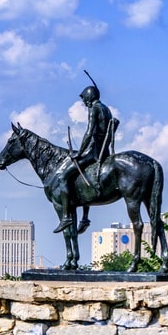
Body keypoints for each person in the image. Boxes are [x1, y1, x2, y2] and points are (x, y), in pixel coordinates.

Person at [53, 77, 119, 233]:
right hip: (104, 151)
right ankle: (84, 218)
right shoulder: (106, 109)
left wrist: (80, 153)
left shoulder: (94, 109)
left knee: (63, 177)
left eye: (84, 100)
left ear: (89, 97)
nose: (84, 103)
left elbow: (89, 133)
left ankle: (67, 217)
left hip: (93, 152)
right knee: (83, 177)